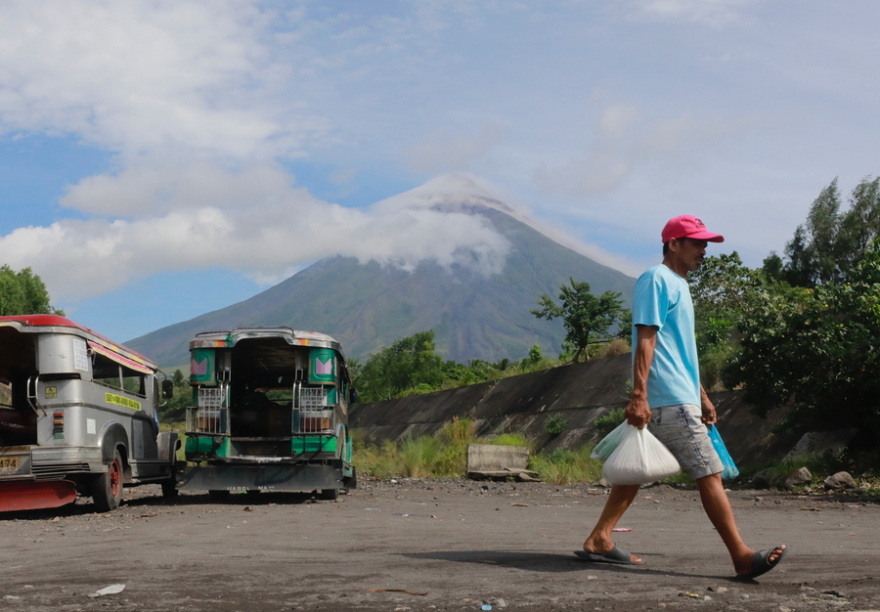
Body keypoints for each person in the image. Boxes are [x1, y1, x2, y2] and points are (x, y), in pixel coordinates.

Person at [577, 215, 788, 581]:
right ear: (673, 244)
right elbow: (646, 337)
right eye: (697, 242)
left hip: (678, 395)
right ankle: (741, 556)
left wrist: (702, 395)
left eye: (706, 243)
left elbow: (680, 351)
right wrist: (639, 395)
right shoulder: (656, 279)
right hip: (667, 400)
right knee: (710, 474)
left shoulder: (679, 285)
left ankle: (600, 538)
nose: (704, 250)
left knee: (634, 471)